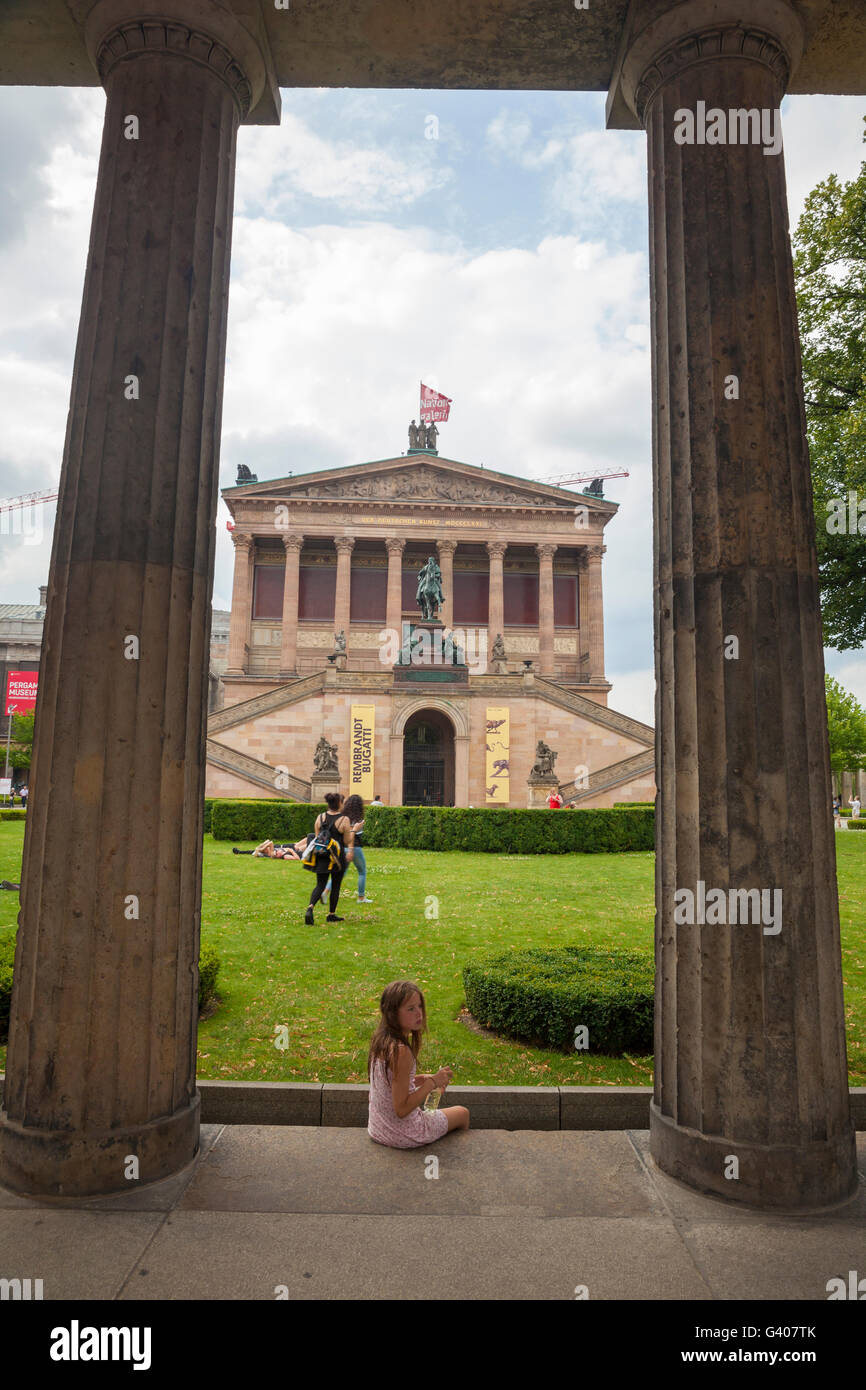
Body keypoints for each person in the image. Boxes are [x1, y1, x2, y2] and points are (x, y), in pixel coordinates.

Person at [367, 980, 469, 1148]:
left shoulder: (381, 1040)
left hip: (378, 1128)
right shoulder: (401, 1051)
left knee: (440, 1109)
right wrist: (433, 1082)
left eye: (420, 1006)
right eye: (411, 1009)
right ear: (393, 1013)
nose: (419, 1014)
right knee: (463, 1113)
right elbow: (401, 1109)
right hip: (404, 1133)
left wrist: (423, 1079)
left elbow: (392, 1085)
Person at [304, 791, 354, 924]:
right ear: (339, 804)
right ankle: (331, 914)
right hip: (337, 858)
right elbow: (347, 840)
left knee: (320, 884)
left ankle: (310, 908)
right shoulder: (344, 820)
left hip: (321, 856)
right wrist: (354, 830)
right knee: (336, 886)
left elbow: (317, 837)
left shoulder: (320, 817)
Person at [323, 793, 372, 902]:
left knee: (342, 872)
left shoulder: (343, 817)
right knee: (362, 871)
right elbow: (352, 833)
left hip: (343, 847)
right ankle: (361, 897)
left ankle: (326, 891)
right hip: (355, 847)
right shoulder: (358, 819)